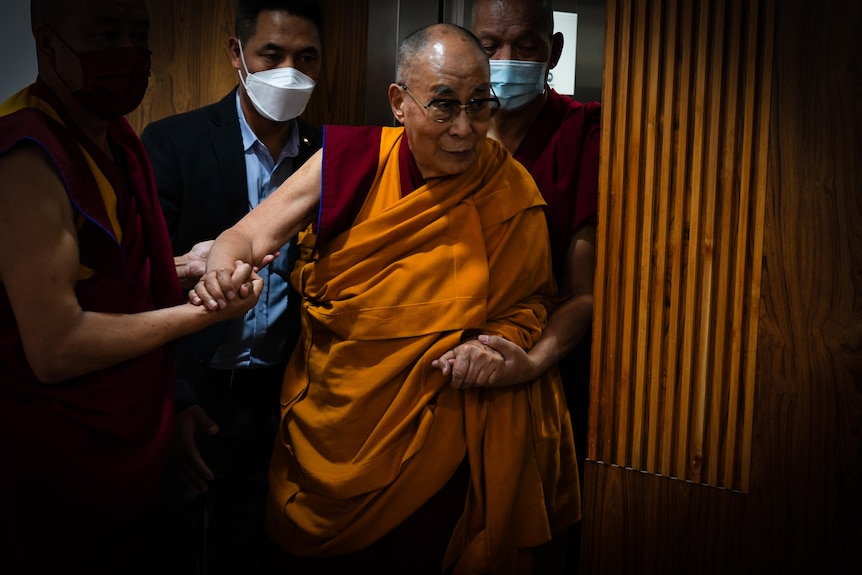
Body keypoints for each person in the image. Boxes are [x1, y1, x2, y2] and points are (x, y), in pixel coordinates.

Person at [191, 22, 580, 575]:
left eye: (479, 104)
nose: (466, 129)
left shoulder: (509, 190)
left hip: (441, 437)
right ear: (399, 102)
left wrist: (502, 348)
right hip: (334, 423)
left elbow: (532, 303)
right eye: (444, 106)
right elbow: (247, 236)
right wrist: (223, 270)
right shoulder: (352, 160)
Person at [0, 1, 262, 573]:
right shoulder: (27, 155)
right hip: (59, 453)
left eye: (138, 33)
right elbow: (56, 347)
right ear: (48, 45)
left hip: (134, 430)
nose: (128, 51)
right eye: (104, 33)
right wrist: (204, 314)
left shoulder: (113, 137)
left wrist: (182, 266)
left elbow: (106, 273)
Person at [139, 1, 323, 572]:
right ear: (236, 53)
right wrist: (176, 400)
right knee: (174, 542)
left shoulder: (329, 156)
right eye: (272, 54)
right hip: (194, 389)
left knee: (257, 545)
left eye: (306, 57)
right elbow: (145, 284)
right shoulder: (174, 142)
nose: (289, 70)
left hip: (280, 396)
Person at [433, 0, 602, 570]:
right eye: (488, 45)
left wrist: (529, 363)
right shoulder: (445, 131)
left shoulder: (584, 132)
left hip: (539, 367)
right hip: (442, 373)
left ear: (552, 50)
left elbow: (584, 293)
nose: (504, 60)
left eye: (524, 45)